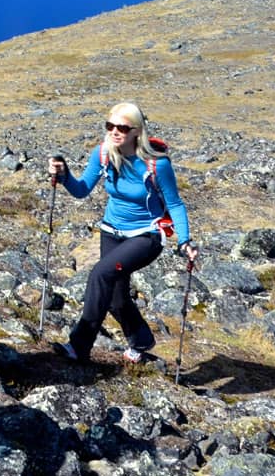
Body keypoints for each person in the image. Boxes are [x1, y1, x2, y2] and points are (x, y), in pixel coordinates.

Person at [46, 102, 195, 364]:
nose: (115, 132)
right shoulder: (103, 154)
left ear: (137, 131)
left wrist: (184, 242)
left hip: (146, 235)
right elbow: (81, 190)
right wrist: (64, 173)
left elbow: (175, 204)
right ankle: (142, 340)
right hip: (111, 231)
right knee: (115, 299)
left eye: (123, 128)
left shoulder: (156, 165)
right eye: (110, 126)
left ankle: (78, 345)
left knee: (100, 274)